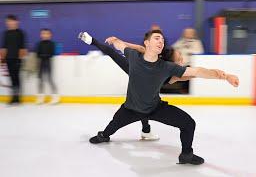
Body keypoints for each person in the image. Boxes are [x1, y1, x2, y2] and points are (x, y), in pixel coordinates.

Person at [79, 30, 239, 165]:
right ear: (146, 43)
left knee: (188, 123)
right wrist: (115, 40)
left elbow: (197, 71)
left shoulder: (167, 67)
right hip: (130, 109)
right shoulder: (133, 57)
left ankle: (186, 155)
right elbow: (119, 47)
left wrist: (224, 76)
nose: (161, 41)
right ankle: (104, 136)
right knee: (110, 128)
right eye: (157, 38)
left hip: (155, 108)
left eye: (162, 39)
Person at [0, 15, 27, 105]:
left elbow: (23, 48)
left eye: (11, 21)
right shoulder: (6, 33)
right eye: (7, 22)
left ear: (16, 22)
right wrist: (2, 59)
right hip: (8, 59)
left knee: (17, 78)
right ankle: (12, 98)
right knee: (11, 79)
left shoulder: (20, 33)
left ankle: (18, 98)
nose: (9, 23)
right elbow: (4, 47)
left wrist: (19, 60)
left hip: (17, 60)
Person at [35, 28, 59, 104]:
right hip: (41, 63)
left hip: (48, 62)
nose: (45, 35)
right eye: (43, 34)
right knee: (40, 80)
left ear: (50, 35)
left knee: (50, 79)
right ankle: (40, 98)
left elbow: (51, 54)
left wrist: (44, 55)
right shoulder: (39, 44)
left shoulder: (52, 44)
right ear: (41, 35)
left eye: (47, 34)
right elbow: (37, 54)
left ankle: (55, 97)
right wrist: (43, 56)